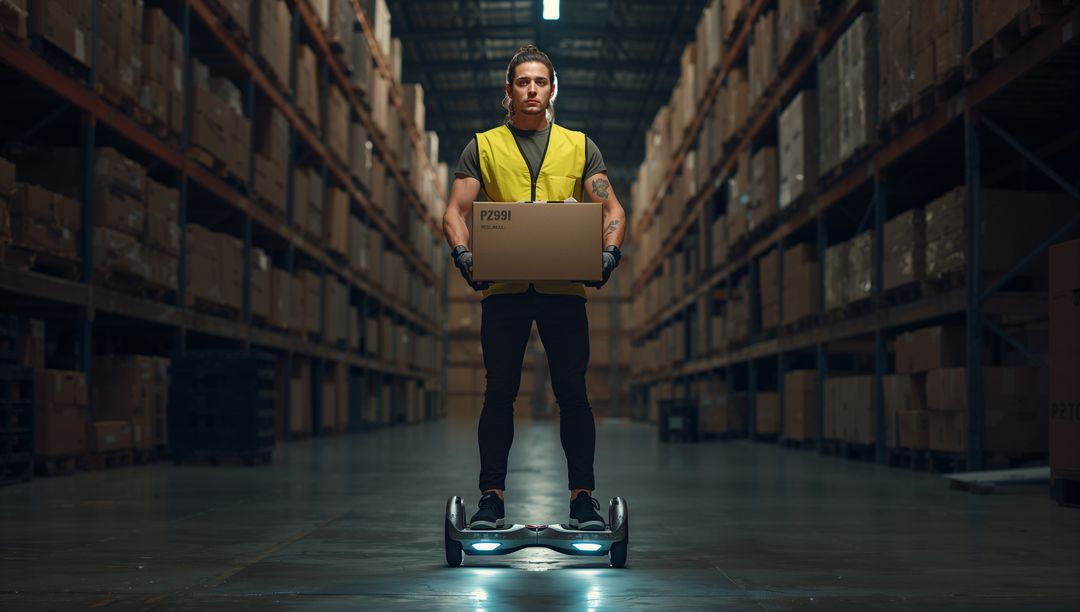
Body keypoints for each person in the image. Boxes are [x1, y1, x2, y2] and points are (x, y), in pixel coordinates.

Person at [441, 44, 627, 531]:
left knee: (573, 393)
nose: (531, 90)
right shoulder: (482, 147)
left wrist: (609, 254)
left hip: (563, 289)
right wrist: (464, 255)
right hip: (502, 288)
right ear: (509, 90)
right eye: (522, 82)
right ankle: (491, 498)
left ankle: (582, 498)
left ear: (551, 88)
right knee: (499, 392)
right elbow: (453, 212)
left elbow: (613, 211)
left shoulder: (580, 146)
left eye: (540, 82)